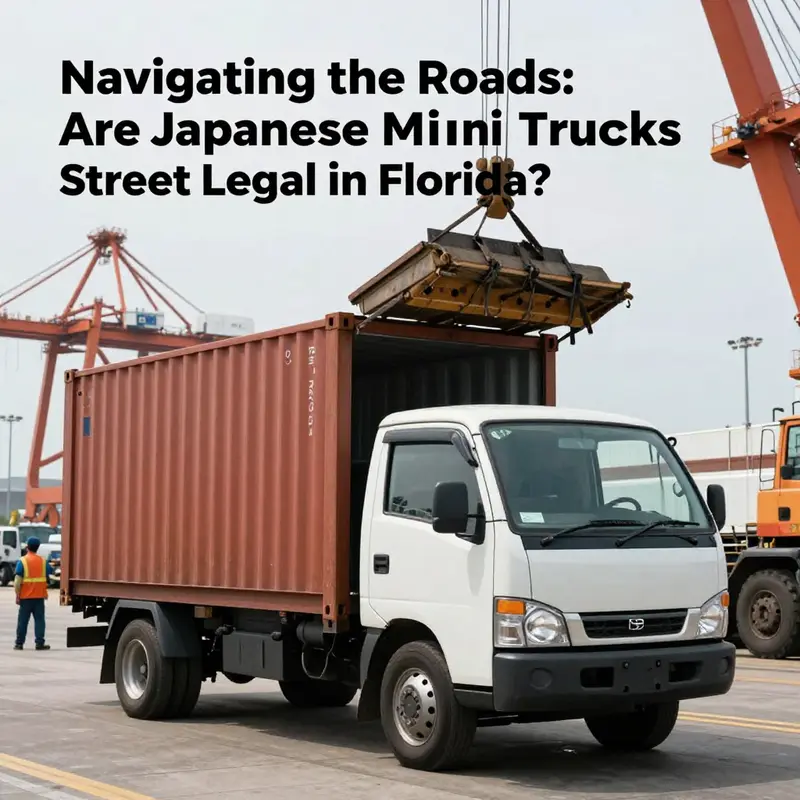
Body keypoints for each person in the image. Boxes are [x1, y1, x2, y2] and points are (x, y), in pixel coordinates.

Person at [13, 536, 51, 651]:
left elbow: (17, 581)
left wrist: (17, 595)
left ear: (27, 547)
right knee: (40, 621)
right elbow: (49, 574)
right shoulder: (43, 561)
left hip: (25, 598)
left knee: (23, 621)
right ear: (37, 548)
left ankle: (19, 643)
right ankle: (39, 643)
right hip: (39, 597)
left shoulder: (22, 561)